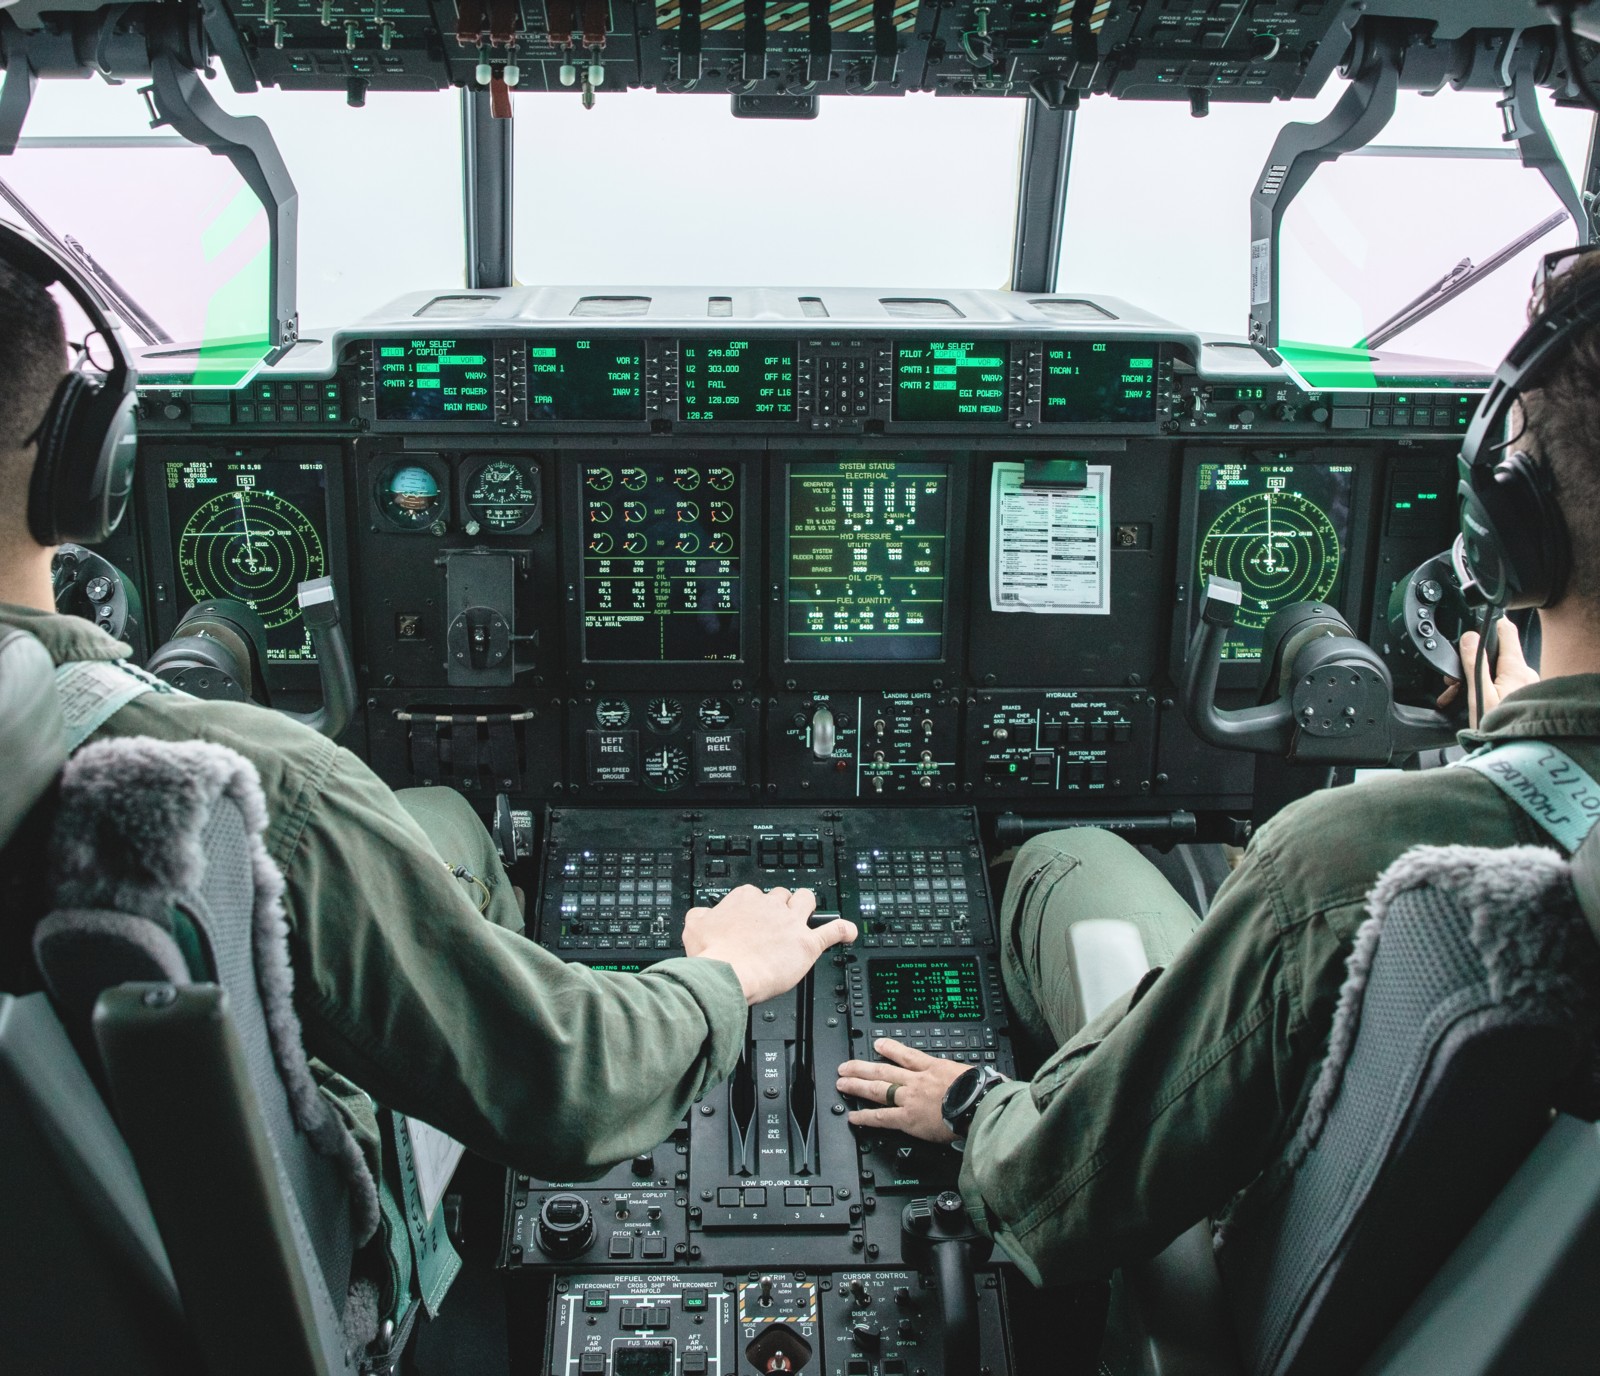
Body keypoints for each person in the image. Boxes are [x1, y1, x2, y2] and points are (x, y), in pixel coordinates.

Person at [0, 252, 855, 1196]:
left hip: (97, 1243)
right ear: (90, 464)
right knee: (448, 824)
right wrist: (730, 969)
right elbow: (569, 1086)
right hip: (290, 1221)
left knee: (440, 816)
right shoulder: (269, 787)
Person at [838, 252, 1600, 1287]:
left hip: (1234, 1266)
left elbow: (1057, 1190)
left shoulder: (1347, 868)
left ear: (1513, 535)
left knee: (1071, 850)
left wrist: (979, 1106)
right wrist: (1519, 741)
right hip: (1454, 1280)